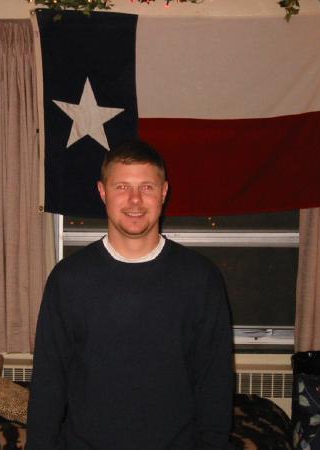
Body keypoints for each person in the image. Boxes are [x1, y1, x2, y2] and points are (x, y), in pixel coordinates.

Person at [26, 140, 234, 450]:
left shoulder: (200, 278)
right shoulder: (68, 279)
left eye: (147, 187)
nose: (135, 200)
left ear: (164, 192)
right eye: (122, 187)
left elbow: (215, 381)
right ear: (102, 192)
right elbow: (48, 382)